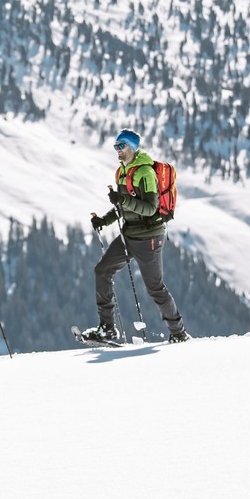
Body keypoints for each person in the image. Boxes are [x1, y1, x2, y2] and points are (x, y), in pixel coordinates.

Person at [83, 129, 191, 344]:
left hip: (150, 237)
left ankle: (178, 333)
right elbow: (124, 207)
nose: (117, 151)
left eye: (121, 146)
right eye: (116, 147)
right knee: (102, 271)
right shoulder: (122, 172)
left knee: (155, 287)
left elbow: (150, 208)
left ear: (132, 147)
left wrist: (122, 200)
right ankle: (107, 329)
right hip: (129, 234)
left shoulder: (145, 173)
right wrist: (103, 221)